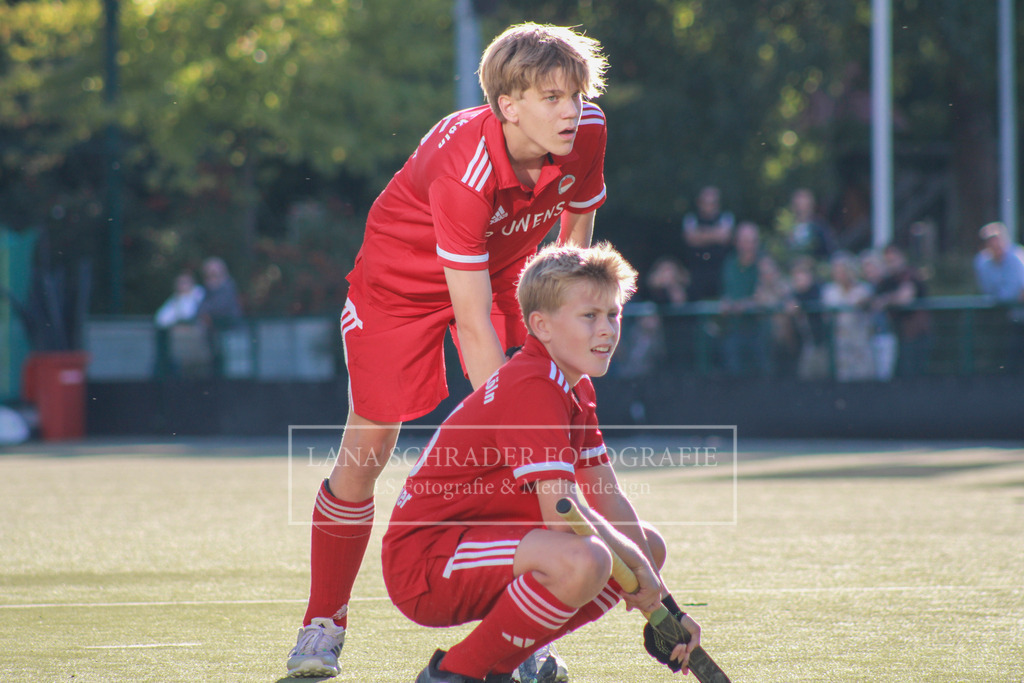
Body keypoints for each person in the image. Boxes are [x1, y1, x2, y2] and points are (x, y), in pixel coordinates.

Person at [286, 23, 612, 678]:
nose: (571, 111)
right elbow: (471, 322)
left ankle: (526, 626)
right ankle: (322, 625)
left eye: (576, 95)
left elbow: (572, 238)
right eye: (552, 98)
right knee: (369, 447)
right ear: (508, 106)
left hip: (504, 272)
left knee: (528, 450)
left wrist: (561, 319)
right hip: (400, 286)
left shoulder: (587, 130)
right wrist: (517, 422)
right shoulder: (465, 170)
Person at [381, 242, 701, 682]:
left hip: (476, 545)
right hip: (426, 564)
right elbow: (564, 516)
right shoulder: (533, 385)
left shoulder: (574, 386)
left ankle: (498, 669)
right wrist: (641, 576)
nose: (606, 330)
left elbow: (607, 499)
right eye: (589, 316)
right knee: (587, 559)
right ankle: (456, 673)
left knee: (647, 545)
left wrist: (664, 607)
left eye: (613, 314)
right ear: (541, 326)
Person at [872, 245, 932, 377]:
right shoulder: (886, 280)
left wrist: (887, 300)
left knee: (914, 373)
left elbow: (905, 298)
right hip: (896, 335)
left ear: (902, 258)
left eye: (893, 260)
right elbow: (875, 301)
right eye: (888, 261)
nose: (891, 264)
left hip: (915, 334)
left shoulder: (911, 274)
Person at [719, 221, 769, 376]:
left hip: (760, 329)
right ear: (737, 242)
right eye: (745, 241)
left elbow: (766, 295)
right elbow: (727, 293)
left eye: (752, 241)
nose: (749, 245)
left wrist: (746, 305)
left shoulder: (765, 264)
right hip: (734, 329)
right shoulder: (729, 263)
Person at [973, 222, 1024, 372]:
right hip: (999, 317)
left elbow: (1019, 291)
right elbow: (988, 290)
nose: (995, 244)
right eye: (990, 240)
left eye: (997, 239)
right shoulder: (981, 261)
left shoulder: (1017, 258)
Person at [821, 251, 874, 381]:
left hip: (860, 341)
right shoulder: (829, 291)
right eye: (836, 271)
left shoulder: (863, 289)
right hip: (839, 342)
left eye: (842, 271)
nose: (840, 274)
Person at [681, 185, 734, 301]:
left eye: (713, 203)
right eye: (706, 202)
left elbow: (724, 237)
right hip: (696, 274)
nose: (709, 206)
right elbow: (691, 239)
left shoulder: (726, 217)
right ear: (699, 203)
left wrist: (700, 234)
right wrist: (715, 233)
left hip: (720, 274)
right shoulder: (690, 219)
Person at [195, 257, 243, 375]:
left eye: (214, 274)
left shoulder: (228, 287)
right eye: (208, 275)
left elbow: (219, 308)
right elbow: (200, 309)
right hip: (214, 336)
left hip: (230, 333)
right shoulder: (206, 291)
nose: (211, 278)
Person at [153, 270, 206, 377]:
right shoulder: (175, 300)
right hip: (181, 344)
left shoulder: (199, 294)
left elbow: (190, 314)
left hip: (200, 341)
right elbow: (160, 319)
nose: (183, 286)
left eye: (185, 282)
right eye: (180, 283)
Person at [785, 188, 835, 261]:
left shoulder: (819, 226)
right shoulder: (787, 227)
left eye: (805, 205)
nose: (801, 209)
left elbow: (828, 249)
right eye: (798, 205)